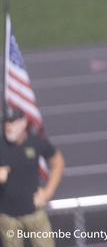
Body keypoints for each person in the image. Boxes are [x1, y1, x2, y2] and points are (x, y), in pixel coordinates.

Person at [0, 105, 65, 247]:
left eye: (13, 122)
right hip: (7, 217)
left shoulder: (35, 142)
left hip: (34, 213)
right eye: (7, 123)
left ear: (23, 123)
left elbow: (58, 162)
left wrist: (47, 192)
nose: (9, 127)